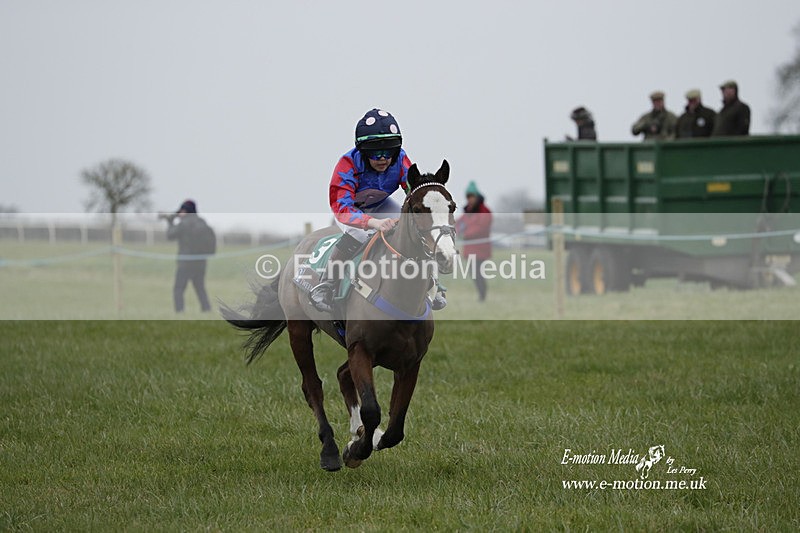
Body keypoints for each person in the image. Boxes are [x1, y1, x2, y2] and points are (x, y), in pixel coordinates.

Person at [309, 108, 447, 313]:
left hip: (381, 204)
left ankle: (433, 283)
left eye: (389, 152)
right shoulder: (347, 164)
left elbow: (412, 190)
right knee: (357, 234)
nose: (383, 158)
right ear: (363, 152)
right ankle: (327, 284)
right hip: (351, 209)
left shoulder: (400, 159)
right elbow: (342, 208)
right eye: (375, 153)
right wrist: (374, 223)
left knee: (412, 228)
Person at [164, 199, 212, 313]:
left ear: (185, 211)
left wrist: (170, 221)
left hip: (185, 263)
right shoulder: (202, 222)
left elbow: (170, 235)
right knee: (200, 289)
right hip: (200, 263)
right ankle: (207, 310)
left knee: (178, 289)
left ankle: (180, 311)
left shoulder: (184, 224)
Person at [456, 181, 492, 302]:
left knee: (477, 273)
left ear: (476, 196)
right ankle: (482, 295)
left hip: (480, 250)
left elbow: (481, 227)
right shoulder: (469, 210)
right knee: (473, 273)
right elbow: (459, 223)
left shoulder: (484, 210)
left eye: (472, 196)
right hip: (470, 249)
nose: (470, 199)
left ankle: (483, 295)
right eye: (468, 197)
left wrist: (465, 233)